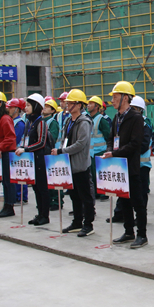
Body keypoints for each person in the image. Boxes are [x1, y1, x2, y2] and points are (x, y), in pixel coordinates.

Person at [101, 81, 148, 249]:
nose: (112, 100)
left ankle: (142, 235)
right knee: (124, 201)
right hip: (118, 167)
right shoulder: (117, 118)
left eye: (115, 97)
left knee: (137, 202)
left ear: (126, 98)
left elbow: (135, 144)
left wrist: (115, 153)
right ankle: (129, 232)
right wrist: (109, 151)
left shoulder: (136, 117)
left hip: (131, 167)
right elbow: (111, 139)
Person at [54, 89, 96, 236]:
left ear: (79, 105)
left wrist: (62, 151)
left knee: (85, 196)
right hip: (69, 165)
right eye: (67, 103)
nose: (67, 105)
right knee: (74, 195)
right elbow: (65, 139)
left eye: (71, 103)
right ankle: (77, 222)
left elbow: (80, 143)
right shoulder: (68, 121)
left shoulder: (84, 122)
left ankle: (88, 224)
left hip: (80, 165)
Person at [16, 94, 51, 226]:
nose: (26, 108)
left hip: (39, 159)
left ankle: (45, 215)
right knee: (36, 188)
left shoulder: (41, 122)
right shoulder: (28, 122)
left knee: (42, 188)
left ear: (36, 106)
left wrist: (26, 149)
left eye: (29, 105)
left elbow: (41, 142)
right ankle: (39, 213)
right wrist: (21, 148)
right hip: (31, 160)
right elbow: (25, 139)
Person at [130, 96, 153, 211]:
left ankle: (141, 215)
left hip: (142, 165)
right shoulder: (128, 122)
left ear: (140, 110)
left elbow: (144, 144)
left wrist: (130, 151)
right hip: (131, 164)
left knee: (141, 193)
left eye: (133, 108)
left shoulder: (145, 123)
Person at [87, 96, 111, 202]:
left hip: (100, 151)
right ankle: (97, 192)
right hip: (92, 152)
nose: (88, 105)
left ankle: (104, 193)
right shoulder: (89, 119)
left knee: (101, 173)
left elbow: (108, 136)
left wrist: (107, 150)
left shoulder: (101, 120)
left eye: (91, 104)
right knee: (93, 173)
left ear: (96, 106)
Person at [42, 98, 62, 211]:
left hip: (52, 153)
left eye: (47, 107)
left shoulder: (53, 123)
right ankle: (49, 200)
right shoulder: (42, 121)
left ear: (53, 110)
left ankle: (57, 201)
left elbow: (52, 138)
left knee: (55, 178)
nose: (44, 108)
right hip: (45, 153)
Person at [8, 98, 28, 204]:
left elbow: (15, 139)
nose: (9, 109)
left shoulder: (19, 123)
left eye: (11, 107)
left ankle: (21, 197)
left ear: (17, 109)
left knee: (19, 175)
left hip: (17, 151)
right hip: (13, 152)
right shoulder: (11, 121)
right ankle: (15, 196)